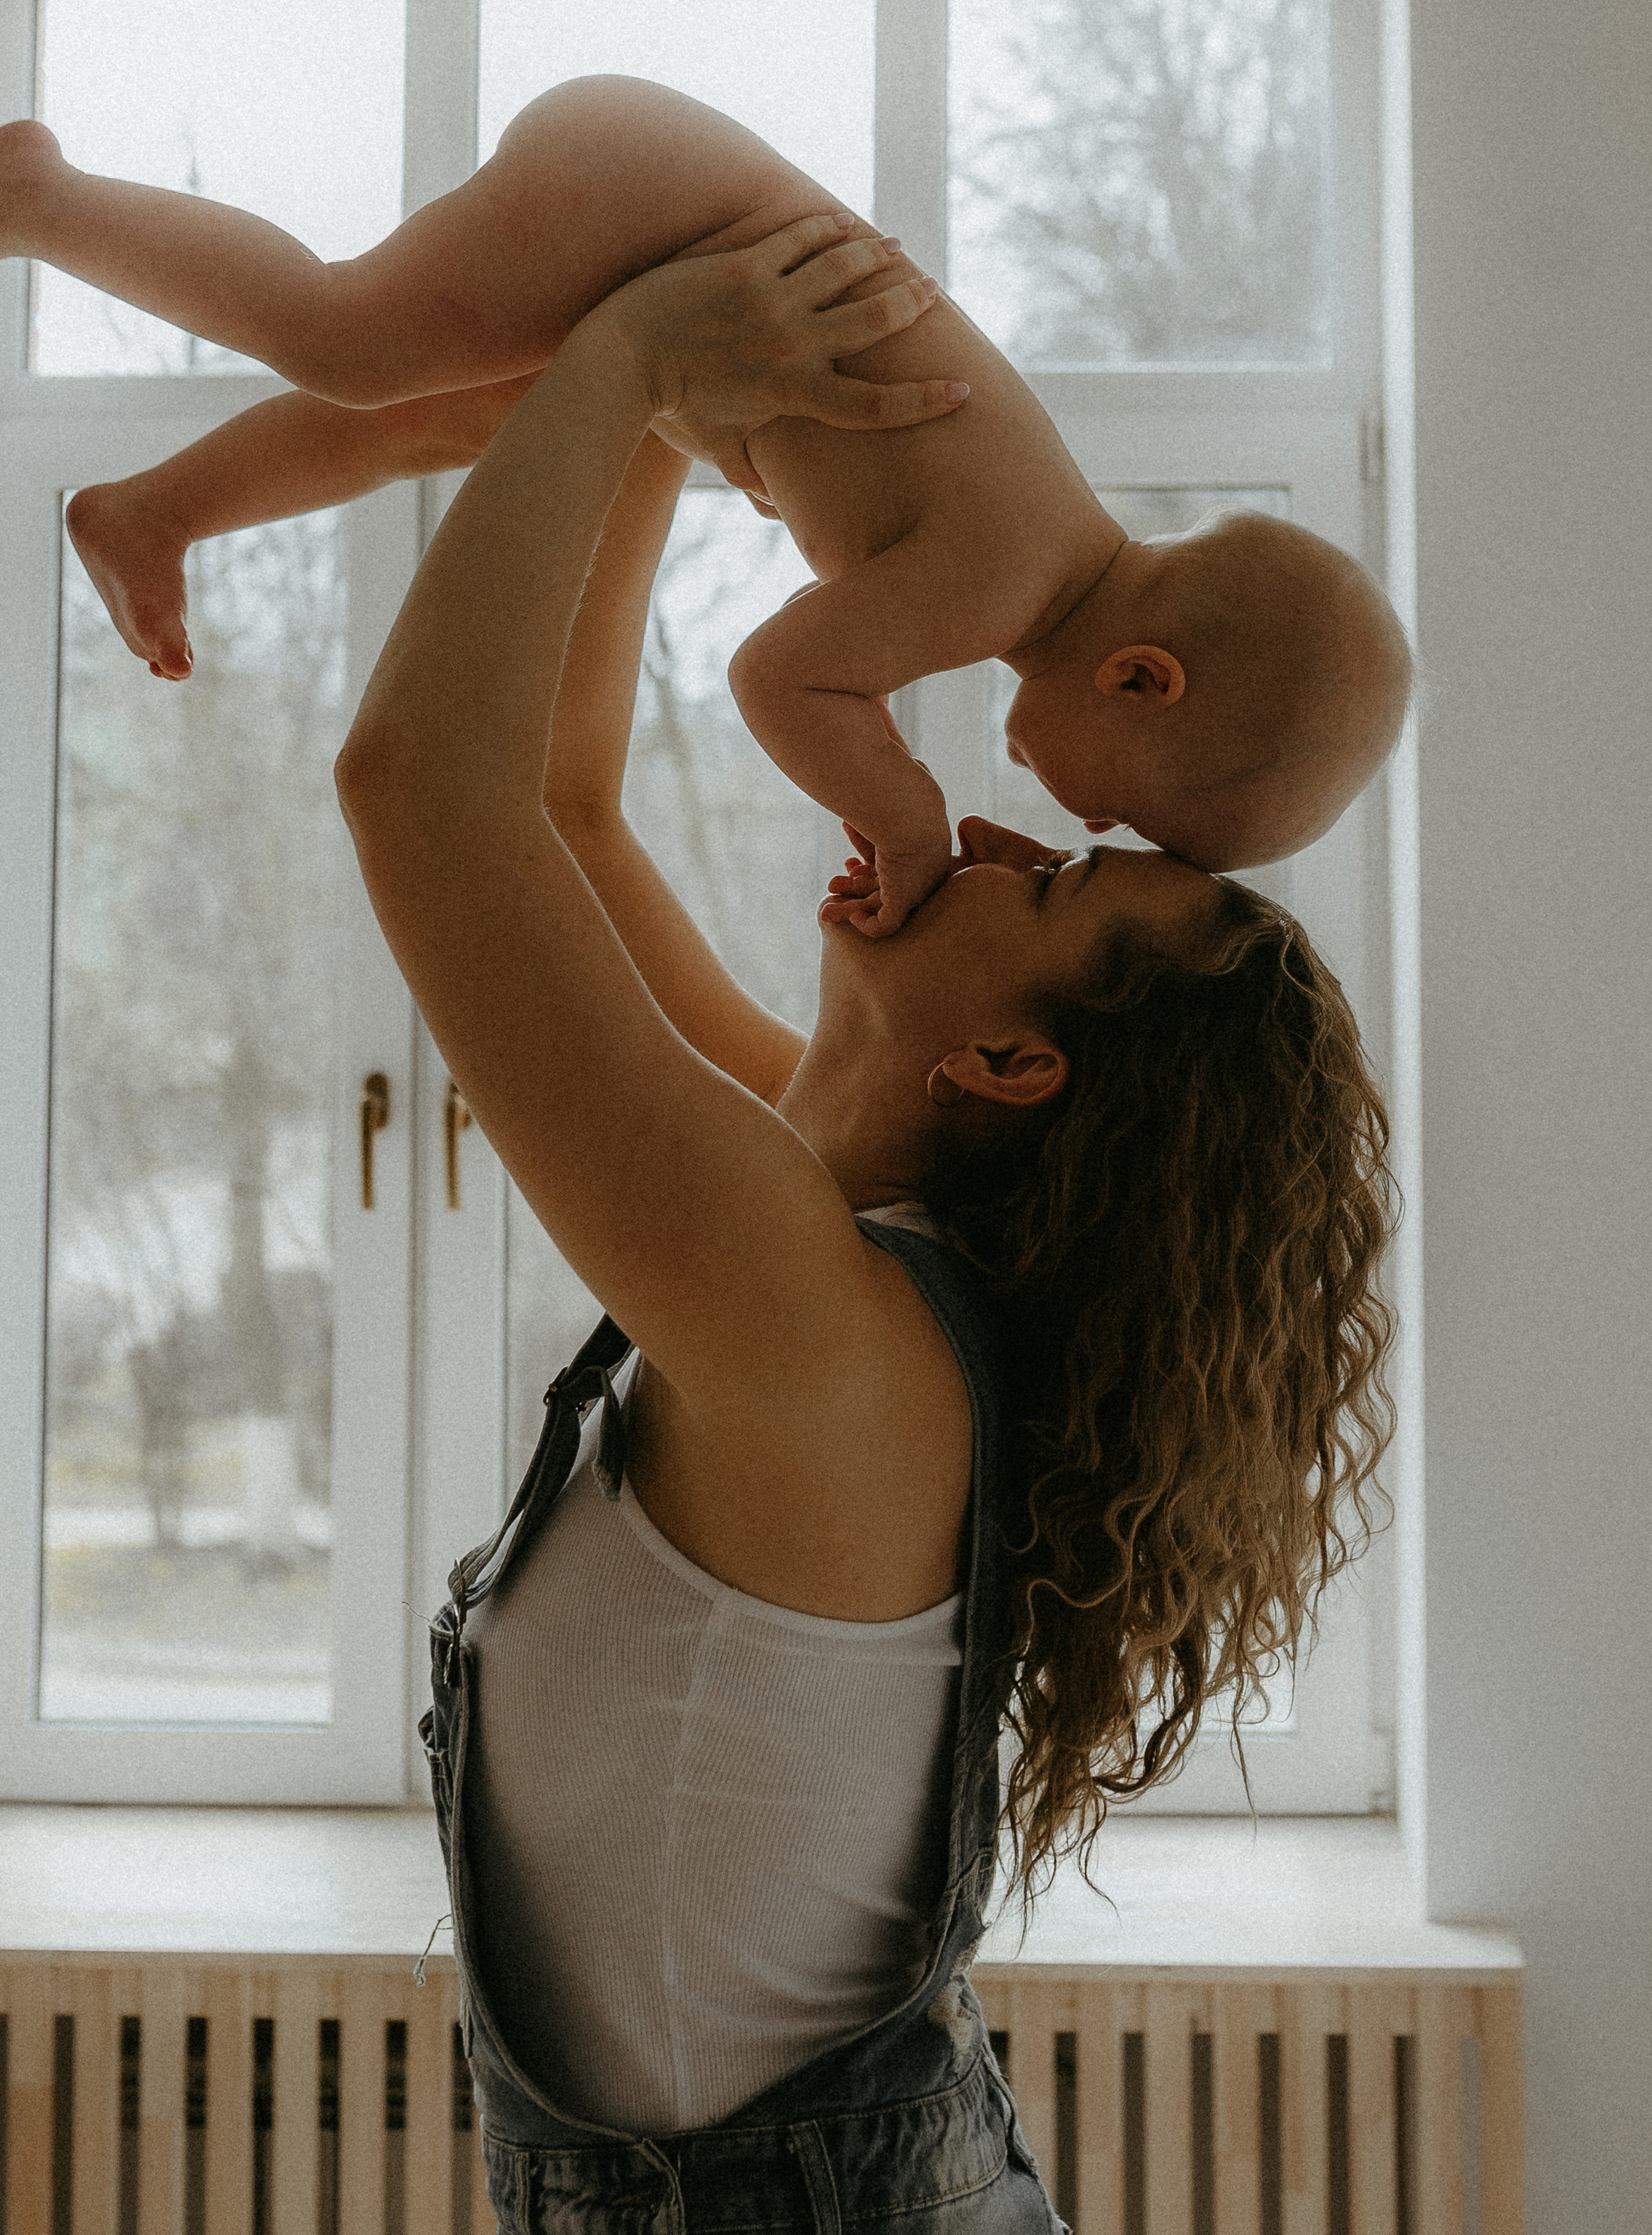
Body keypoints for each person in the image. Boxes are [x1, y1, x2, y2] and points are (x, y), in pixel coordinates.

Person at [328, 215, 1397, 2213]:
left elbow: (419, 786)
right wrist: (680, 407)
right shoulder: (816, 1264)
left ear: (1010, 1064)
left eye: (1048, 883)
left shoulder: (821, 1331)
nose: (989, 820)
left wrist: (635, 347)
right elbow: (553, 800)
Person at [0, 75, 1412, 932]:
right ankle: (38, 197)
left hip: (668, 221)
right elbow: (777, 673)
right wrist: (898, 813)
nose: (1078, 823)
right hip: (664, 209)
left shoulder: (1020, 556)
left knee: (445, 423)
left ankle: (153, 514)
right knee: (353, 339)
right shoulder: (1003, 581)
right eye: (1117, 806)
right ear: (1141, 676)